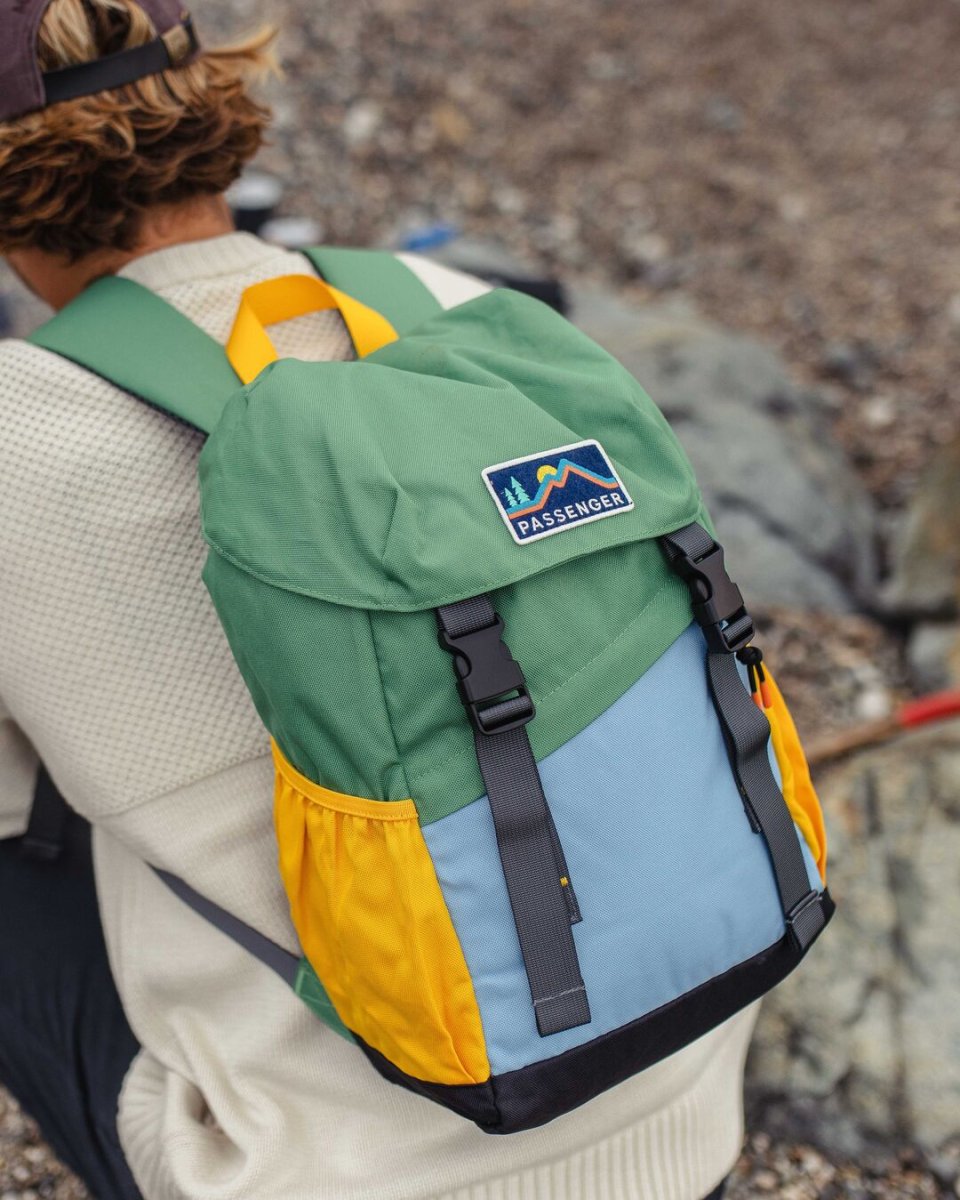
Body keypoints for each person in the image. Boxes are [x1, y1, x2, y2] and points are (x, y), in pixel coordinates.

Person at [0, 2, 752, 1196]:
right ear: (208, 95)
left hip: (338, 1170)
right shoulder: (458, 306)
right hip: (686, 1087)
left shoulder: (17, 429)